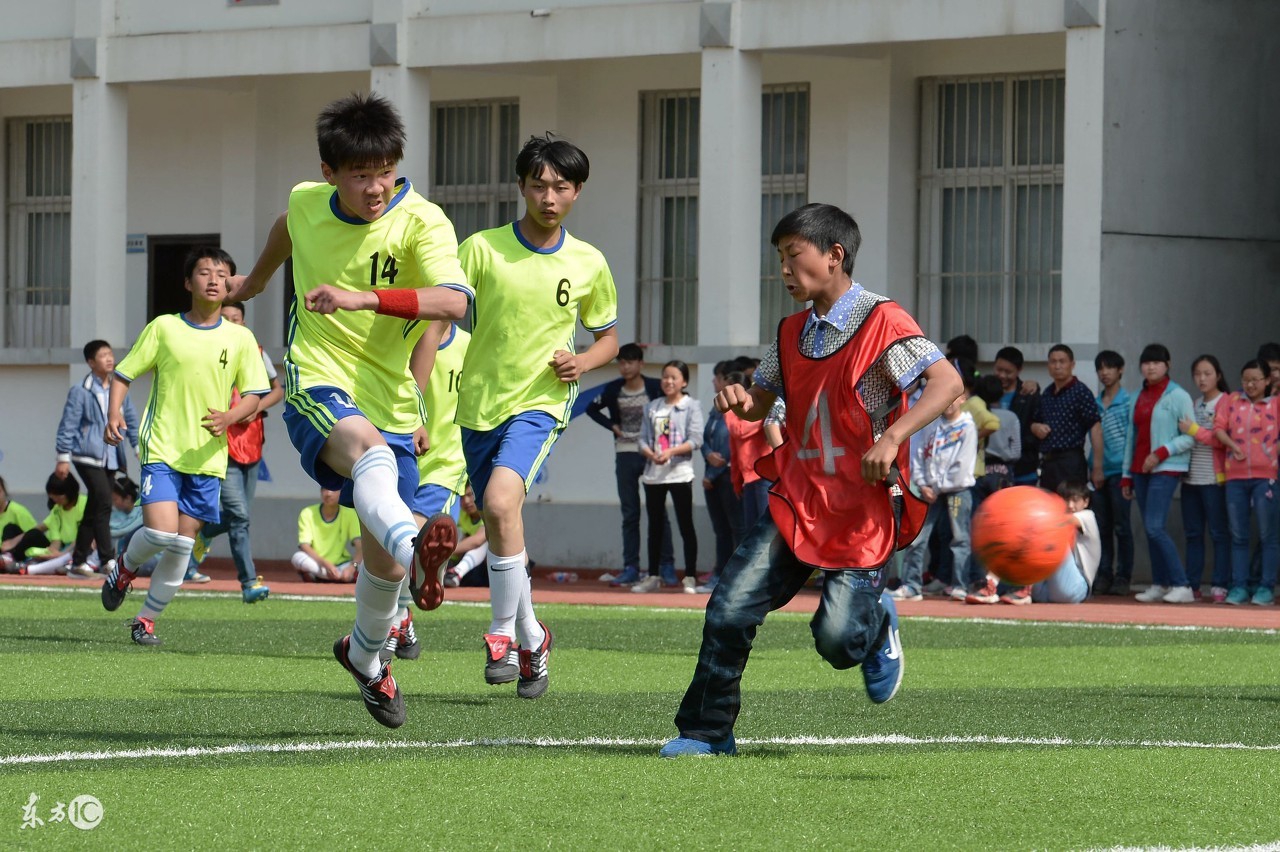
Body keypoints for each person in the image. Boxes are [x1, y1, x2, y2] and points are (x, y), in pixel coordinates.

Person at [661, 203, 961, 758]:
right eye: (779, 258)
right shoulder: (789, 330)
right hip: (797, 497)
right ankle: (705, 732)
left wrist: (893, 438)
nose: (783, 270)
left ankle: (875, 623)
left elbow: (947, 382)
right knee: (728, 607)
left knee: (838, 642)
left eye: (792, 256)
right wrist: (739, 401)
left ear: (834, 255)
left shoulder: (884, 321)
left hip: (863, 508)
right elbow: (763, 405)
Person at [324, 134, 619, 698]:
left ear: (577, 192)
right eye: (539, 185)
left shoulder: (588, 263)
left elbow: (607, 338)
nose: (549, 197)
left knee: (500, 504)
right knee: (501, 520)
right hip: (478, 409)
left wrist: (580, 360)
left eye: (560, 187)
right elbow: (438, 322)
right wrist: (410, 400)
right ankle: (535, 638)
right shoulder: (481, 249)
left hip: (538, 405)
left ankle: (501, 634)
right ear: (521, 187)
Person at [227, 92, 470, 727]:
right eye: (361, 174)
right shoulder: (308, 200)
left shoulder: (424, 221)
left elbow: (452, 305)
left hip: (390, 393)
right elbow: (287, 225)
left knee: (382, 568)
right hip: (319, 375)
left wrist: (364, 299)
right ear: (330, 173)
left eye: (386, 170)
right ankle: (418, 544)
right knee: (369, 453)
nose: (376, 186)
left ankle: (364, 657)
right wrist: (252, 285)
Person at [100, 247, 270, 645]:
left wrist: (230, 418)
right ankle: (124, 567)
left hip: (208, 458)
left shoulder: (241, 338)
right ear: (187, 282)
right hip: (162, 448)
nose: (214, 279)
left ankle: (145, 621)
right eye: (205, 272)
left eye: (222, 273)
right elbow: (125, 373)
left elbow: (254, 394)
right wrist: (114, 413)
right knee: (160, 533)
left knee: (181, 543)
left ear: (231, 285)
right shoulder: (164, 328)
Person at [385, 319, 471, 662]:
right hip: (400, 457)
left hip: (446, 464)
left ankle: (393, 622)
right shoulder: (399, 339)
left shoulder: (470, 346)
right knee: (389, 548)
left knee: (411, 537)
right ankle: (403, 617)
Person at [187, 301, 285, 602]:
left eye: (237, 318)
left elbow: (277, 389)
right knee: (240, 516)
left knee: (238, 515)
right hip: (222, 444)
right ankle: (248, 582)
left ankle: (204, 534)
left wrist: (253, 409)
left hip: (252, 443)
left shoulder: (256, 351)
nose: (232, 322)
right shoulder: (208, 349)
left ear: (244, 321)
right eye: (226, 318)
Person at [583, 342, 673, 586]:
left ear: (640, 364)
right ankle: (630, 567)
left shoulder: (655, 387)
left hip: (651, 455)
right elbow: (591, 408)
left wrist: (662, 446)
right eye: (621, 362)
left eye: (630, 362)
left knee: (658, 512)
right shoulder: (614, 389)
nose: (625, 366)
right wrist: (612, 426)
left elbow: (668, 412)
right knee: (630, 513)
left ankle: (666, 566)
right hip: (624, 454)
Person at [55, 339, 139, 577]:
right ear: (91, 362)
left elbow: (130, 420)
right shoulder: (80, 391)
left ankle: (78, 561)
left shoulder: (119, 388)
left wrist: (137, 447)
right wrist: (63, 457)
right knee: (104, 501)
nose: (110, 358)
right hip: (86, 456)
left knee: (95, 507)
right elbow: (68, 424)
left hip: (111, 456)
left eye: (110, 354)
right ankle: (107, 559)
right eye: (103, 355)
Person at [1120, 343, 1195, 604]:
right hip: (1140, 470)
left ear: (1168, 364)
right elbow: (1132, 436)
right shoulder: (1136, 397)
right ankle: (1160, 583)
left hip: (1166, 468)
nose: (1151, 366)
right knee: (1151, 528)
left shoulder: (1179, 396)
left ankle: (1181, 584)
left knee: (1154, 527)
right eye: (1146, 362)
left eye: (1157, 362)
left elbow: (1190, 436)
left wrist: (1162, 452)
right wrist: (1126, 475)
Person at [894, 381, 976, 601]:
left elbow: (963, 464)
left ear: (962, 399)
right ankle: (911, 586)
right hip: (930, 490)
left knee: (960, 539)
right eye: (945, 398)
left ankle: (960, 586)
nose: (949, 403)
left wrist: (935, 487)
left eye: (954, 397)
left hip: (956, 491)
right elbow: (919, 454)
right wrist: (922, 484)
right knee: (918, 538)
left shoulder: (967, 427)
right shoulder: (933, 426)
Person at [1212, 360, 1280, 606]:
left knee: (1267, 535)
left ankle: (1265, 587)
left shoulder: (1276, 403)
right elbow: (1218, 428)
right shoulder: (1231, 401)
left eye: (1256, 380)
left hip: (1266, 478)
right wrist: (1233, 446)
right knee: (1238, 535)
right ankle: (1239, 586)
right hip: (1235, 477)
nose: (1250, 384)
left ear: (1267, 381)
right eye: (1246, 380)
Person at [633, 360, 704, 594]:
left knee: (685, 524)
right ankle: (653, 575)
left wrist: (671, 452)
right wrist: (650, 453)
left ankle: (690, 576)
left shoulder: (692, 406)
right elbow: (642, 438)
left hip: (680, 473)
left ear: (684, 382)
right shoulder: (652, 407)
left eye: (674, 377)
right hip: (654, 474)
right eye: (665, 377)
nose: (669, 381)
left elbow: (696, 439)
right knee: (655, 526)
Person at [1176, 355, 1231, 602]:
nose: (1202, 378)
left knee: (1219, 533)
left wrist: (1194, 430)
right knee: (1193, 534)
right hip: (1191, 481)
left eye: (1207, 373)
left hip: (1214, 480)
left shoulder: (1227, 402)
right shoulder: (1194, 403)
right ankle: (1193, 585)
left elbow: (1222, 441)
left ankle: (1220, 584)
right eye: (1197, 373)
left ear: (1218, 375)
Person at [1001, 481, 1099, 605]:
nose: (1070, 505)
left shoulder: (1088, 516)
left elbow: (1058, 520)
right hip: (1045, 590)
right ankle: (1002, 585)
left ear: (1086, 502)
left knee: (1050, 535)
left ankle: (1023, 588)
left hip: (1075, 589)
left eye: (1075, 500)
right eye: (1066, 500)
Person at [1090, 350, 1135, 596]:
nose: (1105, 373)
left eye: (1110, 368)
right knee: (1102, 527)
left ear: (1120, 370)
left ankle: (1123, 576)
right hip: (1097, 472)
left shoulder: (1129, 401)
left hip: (1120, 471)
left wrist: (1129, 473)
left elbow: (1132, 439)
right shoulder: (1095, 402)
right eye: (1101, 369)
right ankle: (1104, 574)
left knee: (1122, 527)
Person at [1032, 344, 1103, 494]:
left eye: (1062, 361)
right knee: (1049, 509)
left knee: (1070, 508)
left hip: (1070, 461)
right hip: (1047, 462)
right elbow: (1035, 422)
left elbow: (1095, 428)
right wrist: (1036, 427)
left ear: (1072, 364)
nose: (1057, 366)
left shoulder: (1081, 392)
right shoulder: (1047, 393)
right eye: (1053, 361)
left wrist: (1097, 467)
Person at [699, 362, 742, 593]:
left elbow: (731, 442)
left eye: (717, 378)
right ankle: (719, 574)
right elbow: (705, 438)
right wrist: (707, 455)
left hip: (727, 476)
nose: (715, 383)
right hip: (712, 477)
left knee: (737, 528)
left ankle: (734, 579)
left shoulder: (739, 408)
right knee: (721, 529)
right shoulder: (716, 409)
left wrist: (715, 472)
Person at [3, 473, 88, 575]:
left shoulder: (85, 504)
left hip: (78, 548)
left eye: (58, 495)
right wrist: (50, 553)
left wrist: (61, 554)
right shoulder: (57, 509)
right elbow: (55, 542)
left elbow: (85, 536)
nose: (55, 499)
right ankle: (10, 559)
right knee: (15, 530)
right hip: (63, 549)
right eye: (52, 496)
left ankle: (25, 566)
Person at [992, 347, 1041, 487]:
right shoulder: (986, 392)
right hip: (992, 471)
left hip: (1023, 470)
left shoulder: (1029, 394)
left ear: (1019, 370)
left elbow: (1036, 427)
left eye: (1008, 372)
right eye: (998, 369)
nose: (1002, 375)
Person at [292, 487, 363, 582]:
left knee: (367, 560)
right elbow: (304, 545)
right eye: (325, 489)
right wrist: (326, 564)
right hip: (318, 563)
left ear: (342, 492)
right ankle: (340, 577)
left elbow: (360, 545)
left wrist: (352, 566)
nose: (328, 493)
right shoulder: (307, 512)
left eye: (333, 489)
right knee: (297, 557)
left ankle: (324, 577)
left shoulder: (349, 512)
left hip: (342, 564)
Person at [444, 483, 489, 588]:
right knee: (455, 532)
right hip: (470, 564)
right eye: (462, 497)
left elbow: (478, 540)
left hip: (491, 566)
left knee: (487, 540)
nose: (466, 501)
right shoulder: (461, 514)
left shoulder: (487, 510)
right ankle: (447, 569)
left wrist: (444, 552)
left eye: (470, 495)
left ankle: (457, 571)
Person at [0, 475, 40, 571]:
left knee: (9, 528)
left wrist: (12, 543)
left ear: (4, 492)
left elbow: (33, 534)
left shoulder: (17, 511)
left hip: (17, 552)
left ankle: (9, 560)